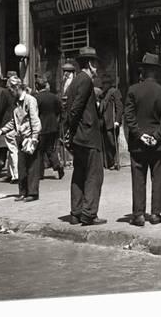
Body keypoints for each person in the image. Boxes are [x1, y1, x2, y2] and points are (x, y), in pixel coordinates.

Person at [125, 53, 161, 227]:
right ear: (157, 72)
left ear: (143, 71)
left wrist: (140, 134)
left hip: (138, 144)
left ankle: (138, 214)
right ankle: (156, 213)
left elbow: (128, 116)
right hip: (158, 144)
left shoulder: (132, 91)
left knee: (138, 177)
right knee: (157, 177)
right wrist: (156, 136)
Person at [65, 47, 106, 226]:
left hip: (78, 137)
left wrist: (70, 132)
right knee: (94, 175)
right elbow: (76, 109)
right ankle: (89, 214)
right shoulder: (86, 80)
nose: (97, 68)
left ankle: (76, 213)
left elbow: (70, 108)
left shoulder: (74, 82)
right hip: (88, 136)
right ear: (90, 64)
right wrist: (73, 129)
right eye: (95, 64)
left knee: (79, 174)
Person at [0, 76, 42, 202]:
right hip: (20, 137)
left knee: (32, 166)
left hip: (30, 137)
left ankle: (32, 192)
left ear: (16, 88)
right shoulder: (17, 103)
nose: (10, 92)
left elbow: (35, 120)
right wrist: (2, 130)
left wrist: (34, 137)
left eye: (11, 89)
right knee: (22, 167)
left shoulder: (30, 100)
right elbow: (13, 122)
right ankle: (23, 191)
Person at [35, 75, 64, 180]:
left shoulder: (36, 98)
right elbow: (60, 110)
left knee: (39, 151)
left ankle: (39, 173)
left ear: (37, 86)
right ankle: (58, 166)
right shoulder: (54, 97)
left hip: (41, 127)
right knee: (50, 149)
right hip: (53, 127)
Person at [99, 74, 124, 170]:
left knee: (112, 142)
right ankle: (109, 162)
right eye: (103, 84)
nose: (104, 85)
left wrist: (117, 120)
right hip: (104, 122)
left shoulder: (114, 92)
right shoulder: (103, 94)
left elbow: (119, 106)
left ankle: (115, 161)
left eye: (105, 84)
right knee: (106, 143)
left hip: (111, 122)